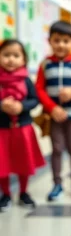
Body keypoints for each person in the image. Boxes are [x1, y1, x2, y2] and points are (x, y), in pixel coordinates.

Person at [35, 21, 71, 201]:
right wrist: (52, 108)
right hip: (54, 117)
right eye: (57, 40)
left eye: (66, 41)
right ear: (50, 41)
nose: (61, 44)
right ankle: (57, 184)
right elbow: (39, 89)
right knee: (57, 150)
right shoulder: (45, 65)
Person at [0, 40, 45, 212]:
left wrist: (21, 106)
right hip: (2, 129)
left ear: (23, 60)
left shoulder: (26, 80)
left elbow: (34, 100)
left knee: (24, 161)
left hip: (23, 128)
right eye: (6, 55)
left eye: (16, 55)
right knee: (2, 163)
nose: (11, 59)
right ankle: (5, 194)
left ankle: (24, 192)